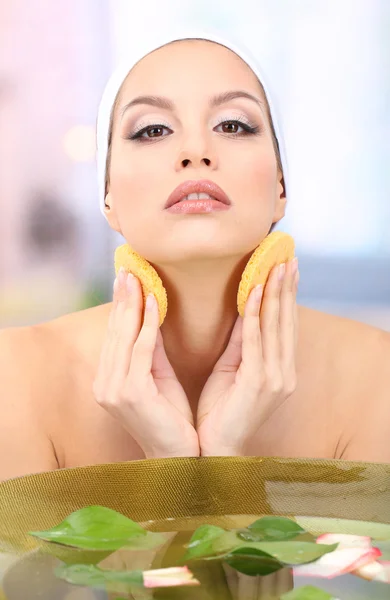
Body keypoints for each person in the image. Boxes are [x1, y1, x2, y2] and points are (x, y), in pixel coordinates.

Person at [0, 30, 389, 483]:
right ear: (107, 196)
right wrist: (169, 462)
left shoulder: (376, 376)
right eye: (152, 130)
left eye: (232, 125)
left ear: (281, 188)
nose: (196, 152)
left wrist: (224, 457)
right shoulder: (16, 377)